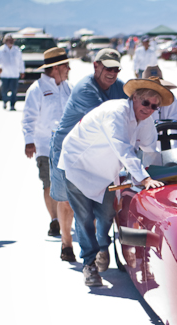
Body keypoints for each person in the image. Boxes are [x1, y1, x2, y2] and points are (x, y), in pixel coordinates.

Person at [61, 78, 173, 287]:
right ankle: (89, 265)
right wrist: (145, 178)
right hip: (79, 165)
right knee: (85, 219)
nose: (149, 109)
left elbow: (150, 150)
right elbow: (122, 148)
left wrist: (160, 174)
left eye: (154, 106)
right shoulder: (116, 112)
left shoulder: (146, 119)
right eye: (145, 103)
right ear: (134, 98)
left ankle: (102, 247)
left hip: (106, 170)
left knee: (106, 215)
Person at [50, 48, 127, 262]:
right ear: (96, 66)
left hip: (94, 151)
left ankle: (95, 248)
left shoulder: (119, 88)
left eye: (116, 69)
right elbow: (107, 121)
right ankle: (67, 244)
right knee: (67, 201)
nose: (112, 73)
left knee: (94, 198)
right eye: (107, 68)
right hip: (67, 149)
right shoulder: (85, 89)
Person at [22, 47, 72, 238]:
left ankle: (65, 217)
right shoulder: (37, 89)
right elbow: (28, 118)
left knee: (68, 185)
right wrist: (29, 141)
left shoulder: (68, 88)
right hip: (44, 145)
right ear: (56, 68)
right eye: (66, 66)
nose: (68, 69)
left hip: (68, 147)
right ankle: (54, 220)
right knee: (49, 183)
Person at [0, 34, 24, 111]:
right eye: (8, 40)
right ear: (5, 41)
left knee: (14, 90)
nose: (10, 42)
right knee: (4, 90)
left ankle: (12, 105)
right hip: (5, 74)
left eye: (11, 40)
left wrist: (22, 71)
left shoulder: (17, 50)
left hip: (14, 74)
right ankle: (5, 101)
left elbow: (21, 61)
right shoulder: (1, 50)